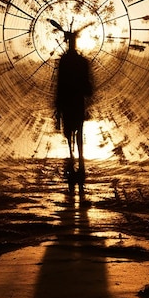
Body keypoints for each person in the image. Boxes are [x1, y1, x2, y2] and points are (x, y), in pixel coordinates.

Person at [55, 30, 93, 187]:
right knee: (78, 133)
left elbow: (59, 85)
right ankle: (81, 164)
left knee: (69, 133)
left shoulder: (64, 61)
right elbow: (88, 87)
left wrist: (58, 108)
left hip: (67, 102)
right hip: (77, 102)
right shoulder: (82, 62)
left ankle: (71, 162)